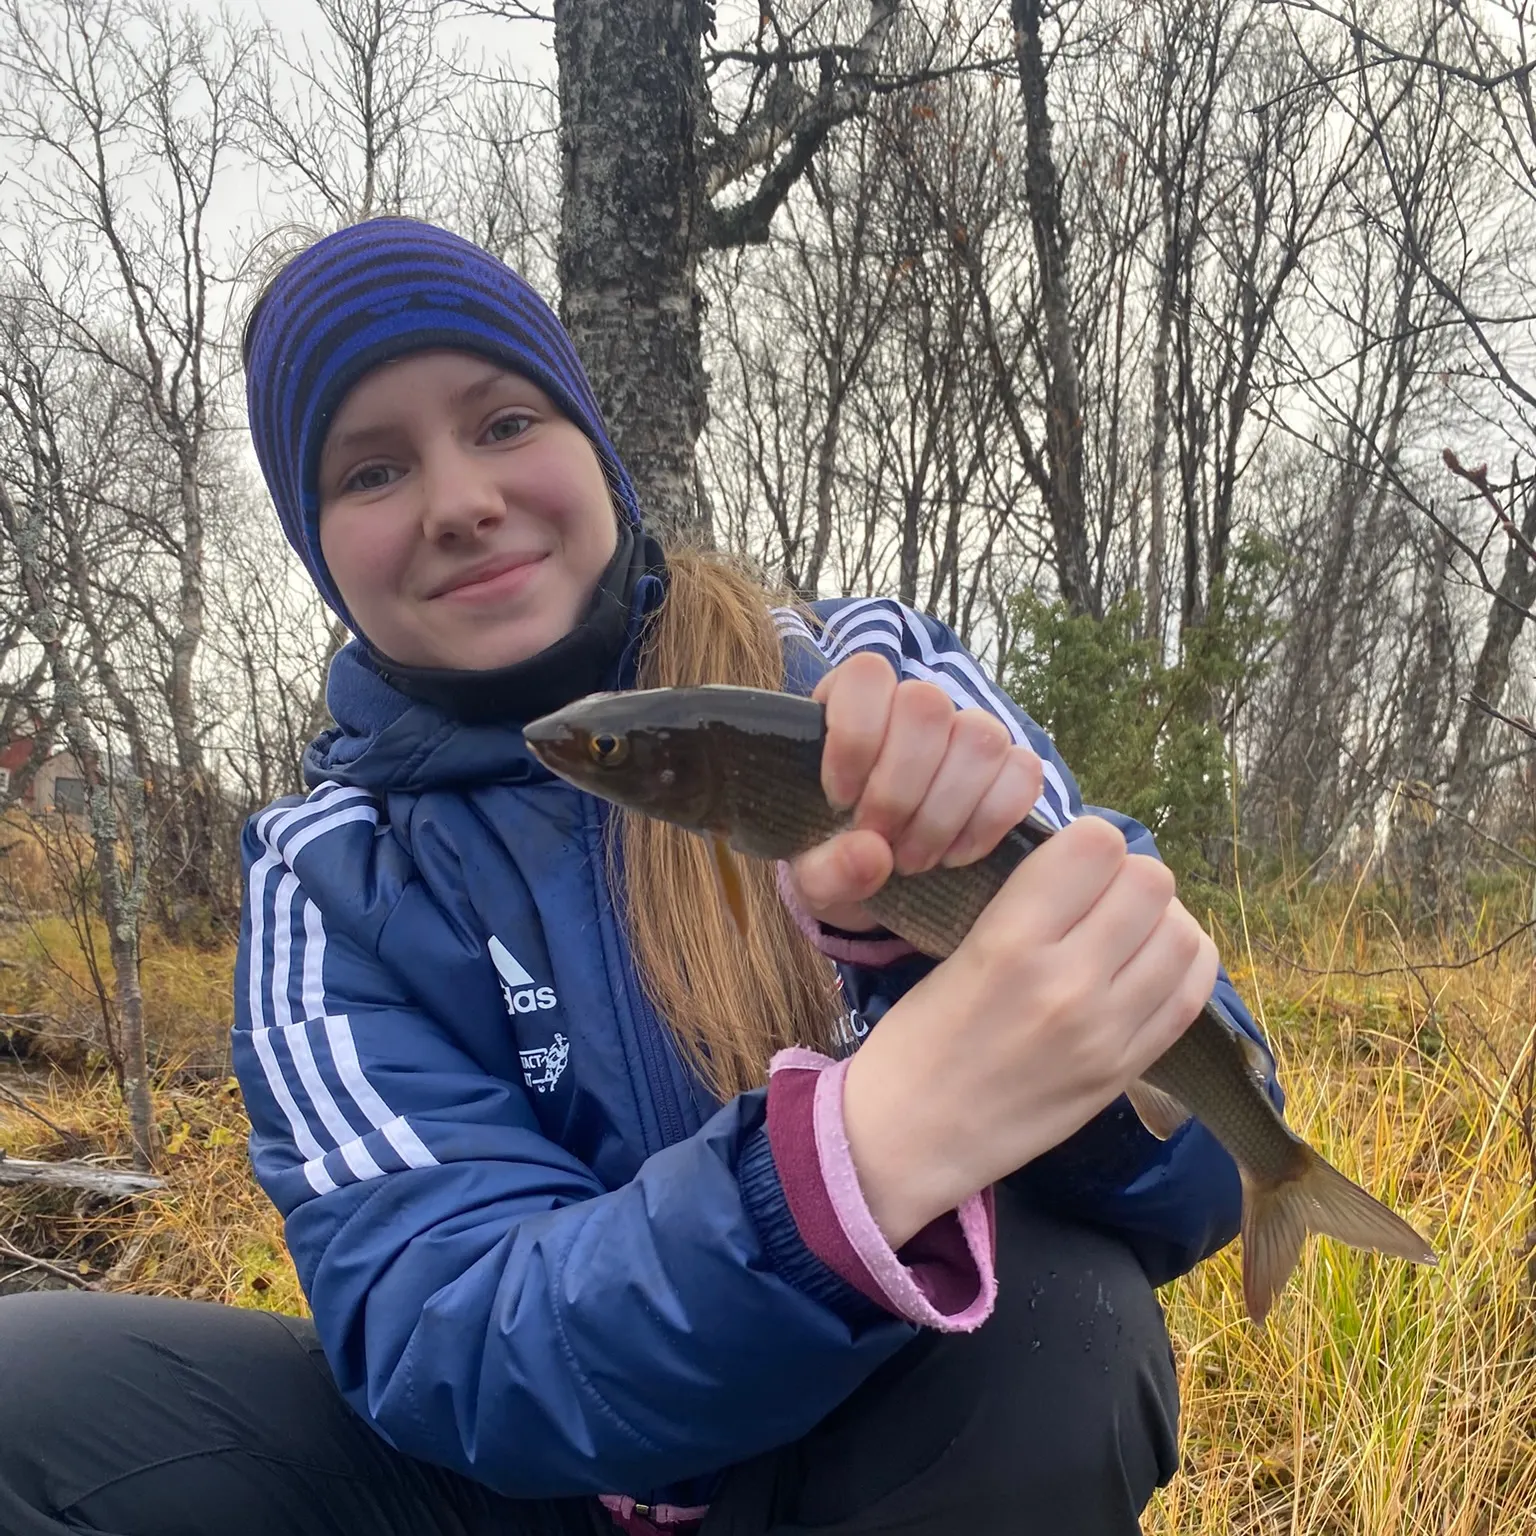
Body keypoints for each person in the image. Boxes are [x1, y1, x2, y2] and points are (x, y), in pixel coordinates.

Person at [0, 218, 1281, 1536]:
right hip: (526, 1494)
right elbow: (447, 1336)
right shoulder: (325, 878)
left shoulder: (867, 682)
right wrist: (834, 1174)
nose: (459, 501)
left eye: (503, 423)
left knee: (1063, 1321)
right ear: (319, 546)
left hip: (865, 1453)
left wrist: (956, 976)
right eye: (373, 469)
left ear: (592, 446)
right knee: (25, 1398)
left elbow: (1189, 1186)